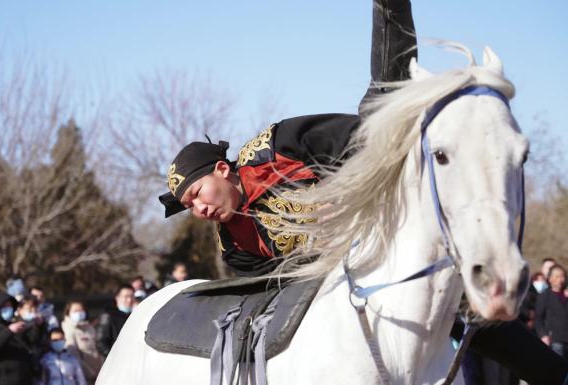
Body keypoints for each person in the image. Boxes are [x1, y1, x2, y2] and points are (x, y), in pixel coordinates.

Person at [157, 1, 568, 383]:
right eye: (190, 206)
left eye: (196, 195)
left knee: (382, 107)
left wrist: (347, 195)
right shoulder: (234, 245)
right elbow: (280, 291)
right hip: (337, 298)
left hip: (390, 225)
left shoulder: (279, 144)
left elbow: (366, 142)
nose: (198, 209)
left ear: (223, 170)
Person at [0, 292, 40, 385]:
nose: (8, 309)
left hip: (25, 378)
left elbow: (31, 341)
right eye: (4, 307)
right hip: (5, 380)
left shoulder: (14, 323)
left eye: (10, 306)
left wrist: (37, 326)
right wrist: (9, 332)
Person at [60, 301, 103, 384]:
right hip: (83, 377)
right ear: (68, 313)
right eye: (75, 311)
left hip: (98, 374)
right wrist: (89, 373)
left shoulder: (89, 328)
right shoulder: (68, 329)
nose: (79, 313)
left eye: (81, 310)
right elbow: (74, 355)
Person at [536, 264, 568, 359]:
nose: (561, 279)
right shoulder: (545, 295)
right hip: (555, 339)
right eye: (557, 276)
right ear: (550, 279)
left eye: (563, 276)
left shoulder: (565, 294)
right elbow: (538, 318)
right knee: (558, 367)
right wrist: (543, 335)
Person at [95, 285, 134, 357]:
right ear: (117, 298)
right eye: (126, 296)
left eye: (131, 296)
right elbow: (101, 343)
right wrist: (115, 357)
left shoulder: (134, 315)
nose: (129, 300)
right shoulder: (108, 315)